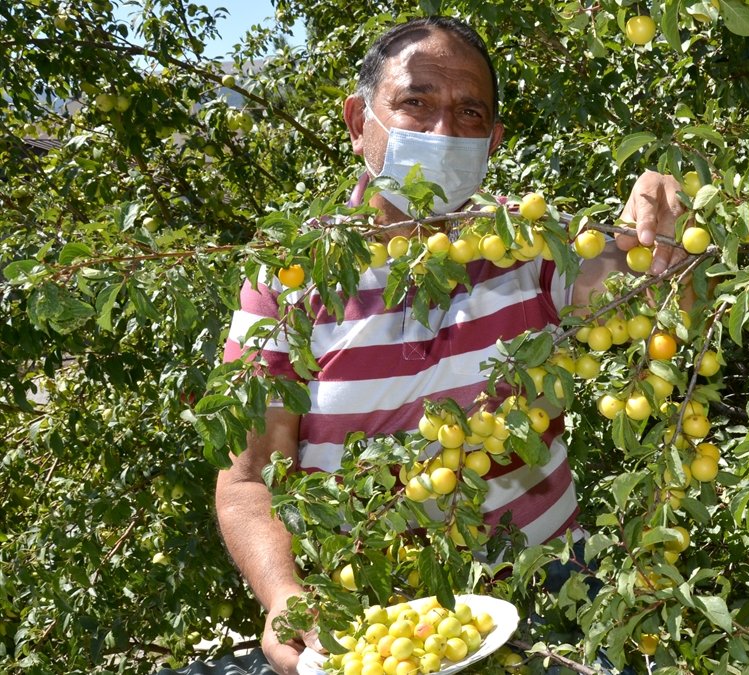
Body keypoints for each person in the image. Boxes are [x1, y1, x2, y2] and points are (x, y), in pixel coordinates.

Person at [214, 16, 688, 675]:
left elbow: (648, 292)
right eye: (416, 102)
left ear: (493, 141)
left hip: (550, 597)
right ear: (358, 123)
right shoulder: (290, 282)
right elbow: (246, 481)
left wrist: (665, 232)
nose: (443, 132)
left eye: (469, 113)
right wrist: (284, 595)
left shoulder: (531, 245)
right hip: (370, 623)